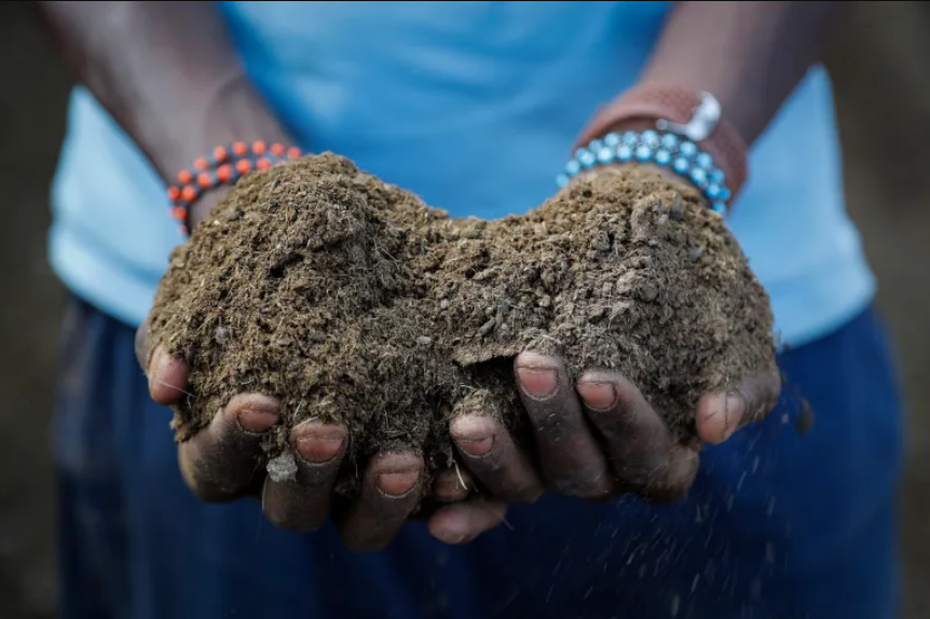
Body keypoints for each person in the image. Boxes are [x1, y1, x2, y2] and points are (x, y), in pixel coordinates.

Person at [37, 1, 902, 618]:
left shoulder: (675, 273)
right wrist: (230, 182)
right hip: (240, 321)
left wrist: (675, 147)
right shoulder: (254, 275)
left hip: (682, 298)